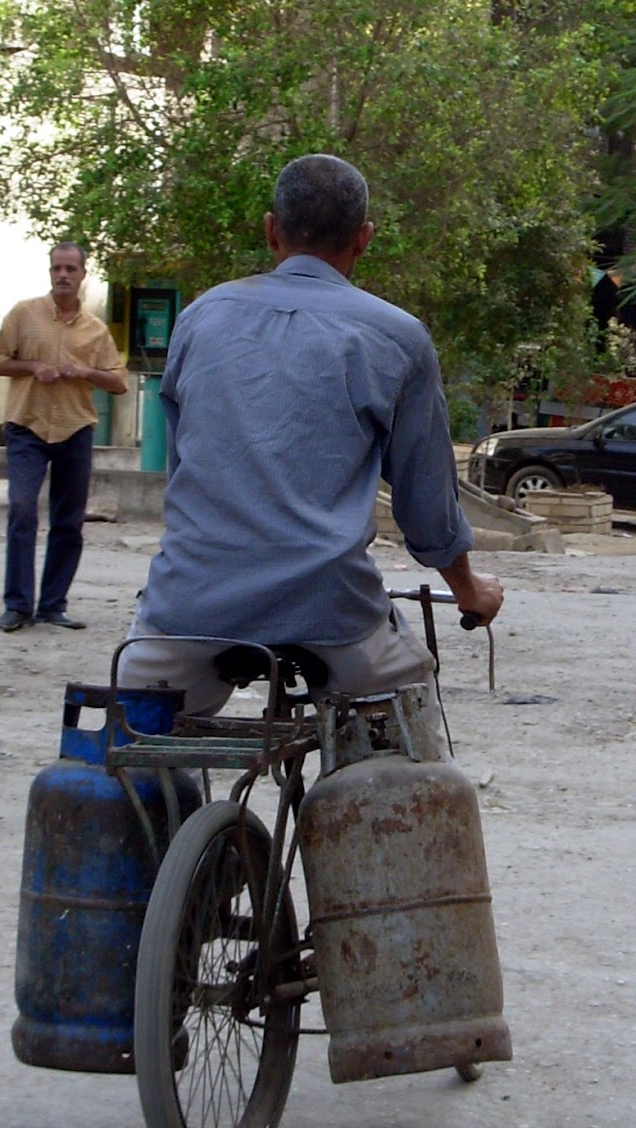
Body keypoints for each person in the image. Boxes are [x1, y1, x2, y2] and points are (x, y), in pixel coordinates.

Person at [118, 154, 503, 737]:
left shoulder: (200, 318)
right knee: (404, 721)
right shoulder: (397, 336)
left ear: (272, 230)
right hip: (331, 612)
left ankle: (153, 814)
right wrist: (469, 591)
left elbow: (186, 468)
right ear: (364, 240)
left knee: (134, 741)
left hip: (189, 607)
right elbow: (426, 509)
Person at [0, 242, 128, 632]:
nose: (63, 275)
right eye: (56, 269)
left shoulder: (96, 331)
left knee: (68, 521)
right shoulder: (23, 314)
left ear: (83, 274)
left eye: (70, 269)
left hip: (75, 428)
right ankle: (17, 606)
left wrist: (86, 372)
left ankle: (52, 605)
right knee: (22, 510)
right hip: (26, 426)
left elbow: (118, 382)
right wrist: (33, 367)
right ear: (49, 272)